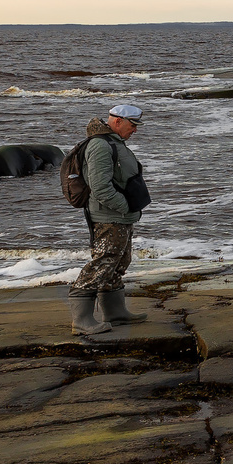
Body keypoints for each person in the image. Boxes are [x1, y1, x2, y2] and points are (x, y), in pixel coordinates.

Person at [69, 102, 151, 337]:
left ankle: (115, 312)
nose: (135, 130)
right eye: (132, 125)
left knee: (119, 262)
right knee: (102, 263)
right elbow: (100, 188)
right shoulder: (100, 146)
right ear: (117, 122)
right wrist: (125, 207)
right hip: (108, 217)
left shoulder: (114, 142)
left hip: (120, 216)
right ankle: (82, 320)